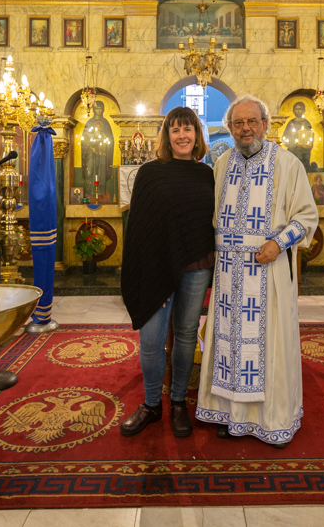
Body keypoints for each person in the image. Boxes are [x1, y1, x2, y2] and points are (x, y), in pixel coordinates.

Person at [196, 95, 319, 448]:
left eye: (252, 121)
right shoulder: (221, 165)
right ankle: (229, 414)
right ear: (230, 128)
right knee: (228, 346)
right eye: (238, 123)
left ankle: (271, 420)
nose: (245, 129)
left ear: (265, 124)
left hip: (269, 272)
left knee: (269, 347)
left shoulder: (287, 164)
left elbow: (306, 217)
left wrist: (279, 243)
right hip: (228, 276)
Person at [120, 106, 215, 438]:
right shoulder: (150, 173)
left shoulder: (207, 174)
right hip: (156, 267)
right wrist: (148, 273)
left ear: (197, 135)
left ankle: (177, 402)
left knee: (186, 335)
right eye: (175, 130)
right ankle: (151, 404)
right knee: (151, 340)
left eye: (188, 129)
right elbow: (139, 229)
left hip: (195, 267)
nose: (182, 135)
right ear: (167, 136)